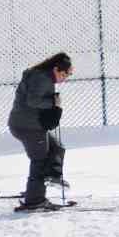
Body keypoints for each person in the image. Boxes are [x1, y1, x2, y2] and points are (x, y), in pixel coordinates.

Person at [8, 51, 72, 212]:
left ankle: (50, 178)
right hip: (28, 127)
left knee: (57, 147)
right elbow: (33, 101)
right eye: (66, 74)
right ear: (57, 69)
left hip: (29, 125)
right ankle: (34, 200)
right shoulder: (42, 79)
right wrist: (53, 102)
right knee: (40, 160)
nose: (66, 78)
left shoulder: (43, 76)